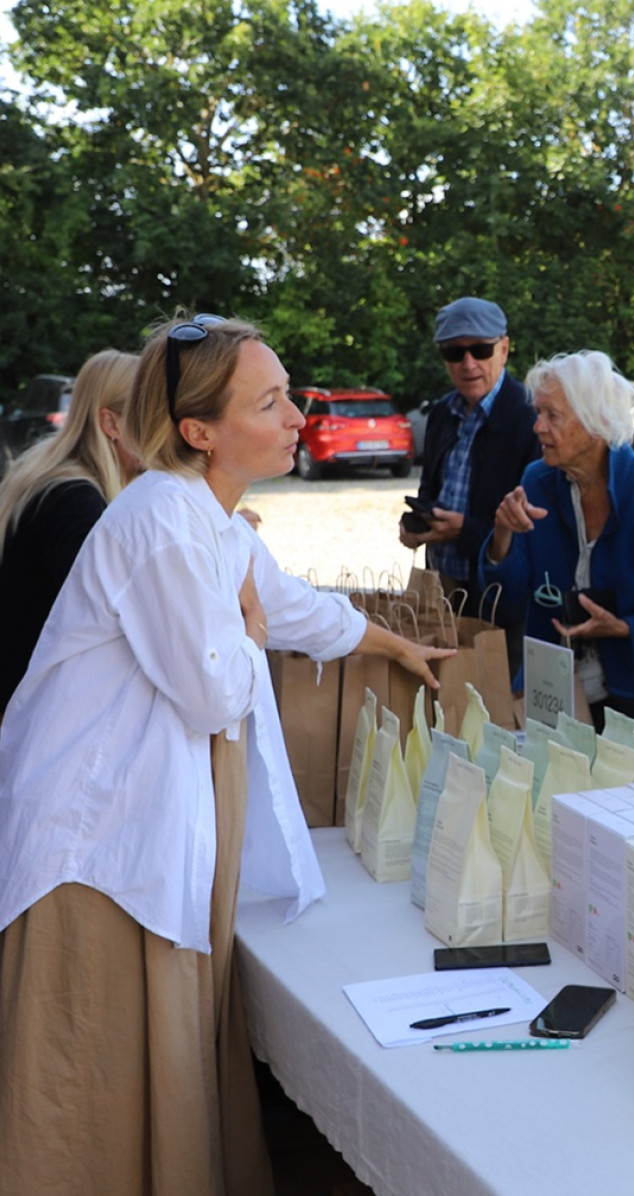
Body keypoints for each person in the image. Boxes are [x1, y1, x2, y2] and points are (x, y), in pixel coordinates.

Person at [0, 314, 449, 1194]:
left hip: (137, 835)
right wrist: (246, 630)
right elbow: (215, 684)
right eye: (271, 400)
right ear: (201, 431)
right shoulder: (163, 517)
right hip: (93, 851)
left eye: (290, 396)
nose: (296, 416)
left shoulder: (216, 523)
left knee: (144, 1060)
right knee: (85, 1081)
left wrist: (393, 647)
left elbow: (292, 607)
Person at [480, 350, 634, 727]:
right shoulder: (536, 482)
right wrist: (502, 535)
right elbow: (505, 600)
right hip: (549, 692)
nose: (537, 427)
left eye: (552, 415)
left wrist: (626, 628)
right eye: (538, 412)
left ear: (595, 422)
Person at [402, 296, 541, 672]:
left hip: (500, 593)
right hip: (442, 586)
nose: (468, 363)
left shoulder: (531, 418)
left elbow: (533, 526)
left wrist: (464, 530)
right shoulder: (442, 414)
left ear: (505, 349)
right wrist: (416, 524)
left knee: (496, 705)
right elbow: (430, 489)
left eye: (480, 350)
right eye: (454, 352)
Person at [0, 348, 141, 714]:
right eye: (152, 416)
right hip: (25, 716)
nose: (165, 431)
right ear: (111, 424)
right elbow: (117, 616)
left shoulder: (50, 474)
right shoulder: (74, 499)